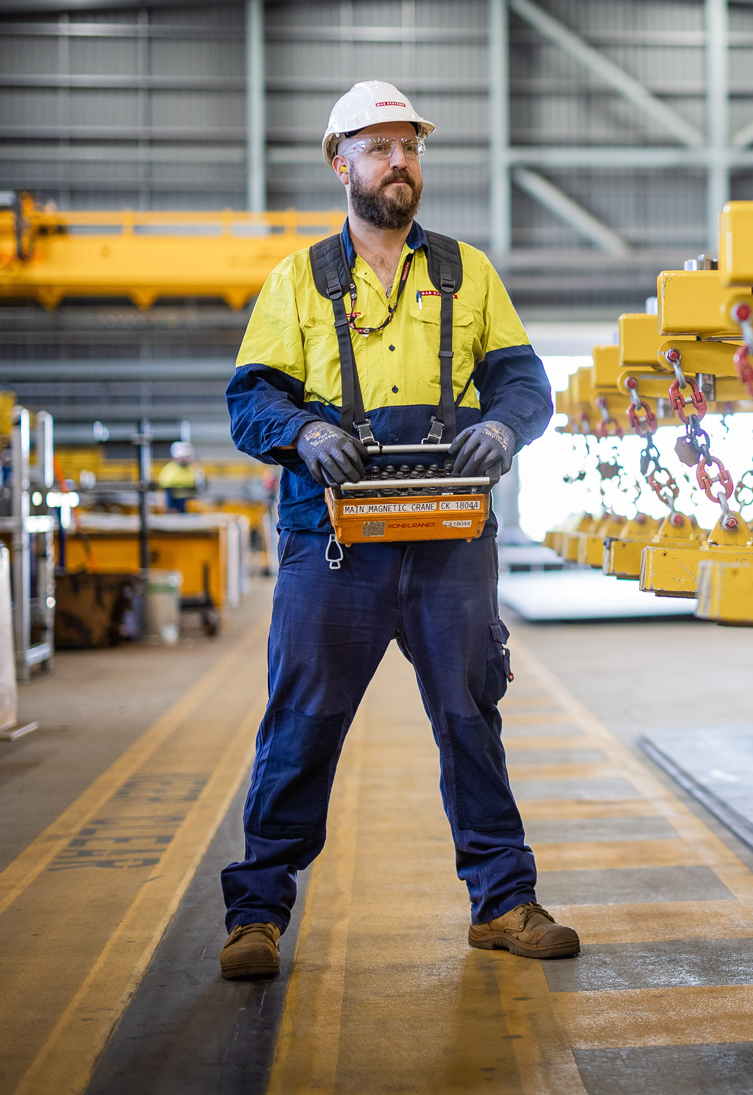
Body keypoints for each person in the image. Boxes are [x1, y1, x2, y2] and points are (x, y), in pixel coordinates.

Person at [218, 80, 576, 982]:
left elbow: (526, 385)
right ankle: (256, 913)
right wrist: (303, 429)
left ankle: (502, 902)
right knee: (301, 722)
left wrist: (505, 425)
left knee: (469, 716)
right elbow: (248, 398)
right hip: (332, 543)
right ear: (340, 161)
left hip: (449, 534)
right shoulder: (296, 281)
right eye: (378, 147)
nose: (399, 162)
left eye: (409, 146)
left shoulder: (467, 273)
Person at [156, 440, 204, 512]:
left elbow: (200, 486)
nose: (184, 459)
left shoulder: (194, 469)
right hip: (174, 502)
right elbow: (166, 487)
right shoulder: (169, 469)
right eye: (182, 457)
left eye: (186, 457)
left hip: (189, 501)